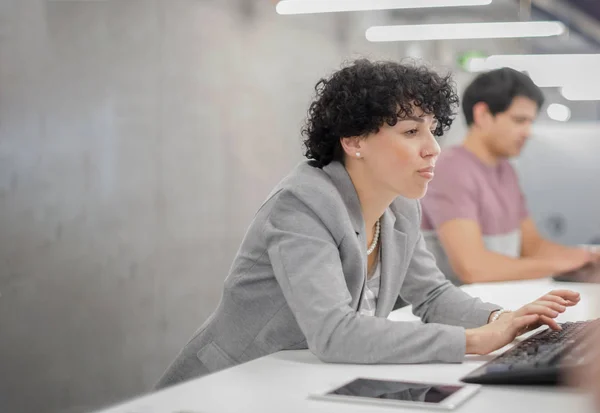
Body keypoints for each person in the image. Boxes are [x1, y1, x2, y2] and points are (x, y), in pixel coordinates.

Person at [156, 60, 581, 389]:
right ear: (354, 140)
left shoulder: (400, 207)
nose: (433, 149)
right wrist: (473, 342)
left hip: (300, 381)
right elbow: (334, 334)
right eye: (412, 132)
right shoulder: (301, 206)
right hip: (227, 387)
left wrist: (501, 318)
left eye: (432, 132)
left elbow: (431, 295)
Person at [420, 68, 598, 285]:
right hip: (455, 311)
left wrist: (586, 257)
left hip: (496, 303)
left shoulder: (505, 170)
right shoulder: (449, 169)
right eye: (519, 120)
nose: (528, 131)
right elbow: (474, 269)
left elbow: (532, 246)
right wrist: (562, 264)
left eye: (530, 122)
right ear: (483, 115)